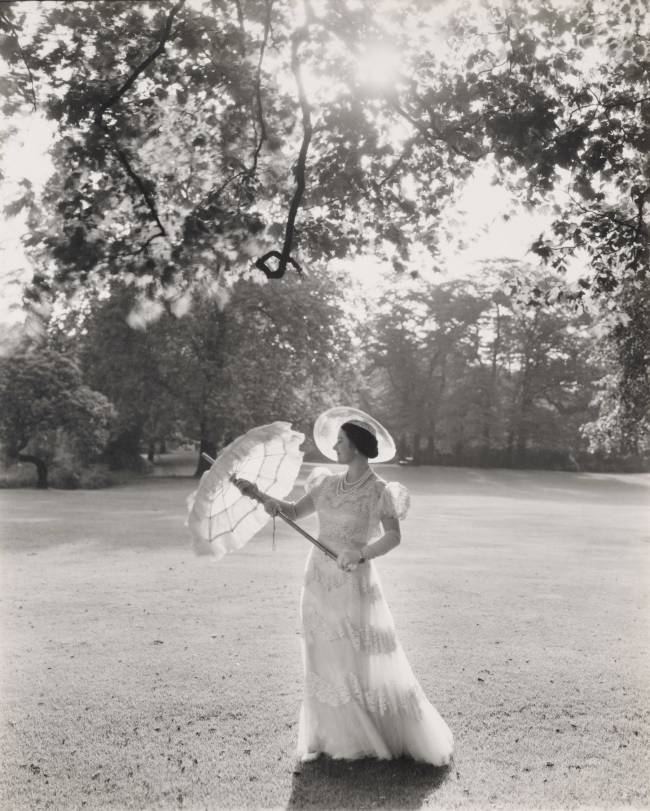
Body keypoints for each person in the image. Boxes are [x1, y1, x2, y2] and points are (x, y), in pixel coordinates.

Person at [244, 408, 453, 767]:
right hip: (317, 581)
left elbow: (393, 536)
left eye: (340, 441)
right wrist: (258, 493)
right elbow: (292, 512)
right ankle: (328, 736)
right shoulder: (325, 484)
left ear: (355, 447)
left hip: (352, 581)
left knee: (351, 656)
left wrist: (361, 553)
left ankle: (363, 734)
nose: (334, 446)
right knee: (320, 654)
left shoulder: (379, 491)